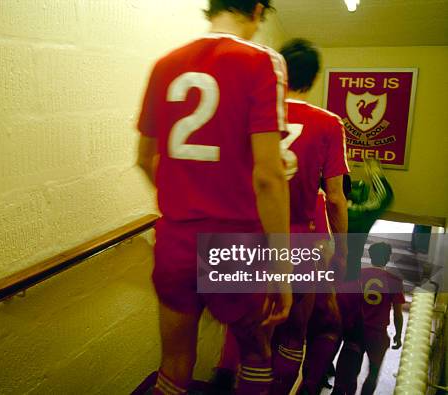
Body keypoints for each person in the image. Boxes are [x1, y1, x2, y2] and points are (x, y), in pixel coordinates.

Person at [136, 1, 292, 394]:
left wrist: (189, 196)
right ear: (257, 9)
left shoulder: (165, 63)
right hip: (233, 239)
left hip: (175, 239)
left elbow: (142, 158)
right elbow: (269, 177)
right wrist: (282, 269)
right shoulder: (263, 61)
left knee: (172, 365)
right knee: (255, 352)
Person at [209, 39, 349, 395]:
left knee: (247, 328)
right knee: (293, 331)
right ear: (314, 78)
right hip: (302, 239)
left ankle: (226, 378)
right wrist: (343, 251)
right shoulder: (329, 123)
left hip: (246, 238)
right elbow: (334, 198)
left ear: (279, 71)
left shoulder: (246, 114)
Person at [331, 159, 394, 395]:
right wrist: (375, 170)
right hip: (347, 287)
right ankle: (342, 389)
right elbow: (385, 197)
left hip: (317, 284)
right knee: (353, 342)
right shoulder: (358, 214)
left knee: (314, 340)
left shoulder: (321, 206)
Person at [359, 242, 404, 395]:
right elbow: (398, 314)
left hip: (356, 331)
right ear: (388, 258)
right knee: (372, 374)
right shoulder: (394, 281)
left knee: (347, 374)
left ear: (370, 256)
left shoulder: (358, 275)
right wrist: (398, 335)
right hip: (377, 334)